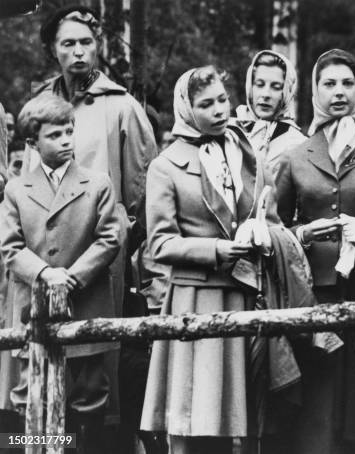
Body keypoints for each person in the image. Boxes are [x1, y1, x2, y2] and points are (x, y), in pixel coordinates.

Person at [24, 5, 158, 430]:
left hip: (102, 256)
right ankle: (49, 441)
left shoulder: (120, 107)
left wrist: (118, 243)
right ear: (52, 50)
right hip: (44, 256)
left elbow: (142, 189)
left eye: (86, 42)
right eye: (68, 44)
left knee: (98, 372)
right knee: (45, 362)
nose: (79, 52)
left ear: (97, 46)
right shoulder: (40, 106)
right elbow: (27, 183)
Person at [140, 66, 279, 454]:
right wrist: (216, 251)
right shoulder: (165, 166)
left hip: (246, 291)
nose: (220, 110)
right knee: (194, 414)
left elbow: (271, 215)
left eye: (222, 99)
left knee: (245, 413)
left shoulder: (247, 152)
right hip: (195, 297)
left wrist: (265, 235)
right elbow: (160, 243)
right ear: (187, 109)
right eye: (206, 104)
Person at [275, 48, 355, 454]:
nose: (338, 92)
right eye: (329, 83)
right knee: (315, 409)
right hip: (312, 298)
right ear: (314, 90)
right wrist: (303, 234)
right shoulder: (296, 156)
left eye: (347, 83)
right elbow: (274, 228)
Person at [0, 94, 121, 453]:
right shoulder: (17, 189)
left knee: (90, 393)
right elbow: (9, 246)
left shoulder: (97, 183)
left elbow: (111, 237)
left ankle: (86, 448)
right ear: (32, 143)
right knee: (29, 392)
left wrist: (70, 276)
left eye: (70, 132)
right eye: (55, 135)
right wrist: (43, 274)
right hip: (31, 308)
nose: (66, 140)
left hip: (85, 302)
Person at [236, 50, 306, 178]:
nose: (266, 94)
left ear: (286, 92)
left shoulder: (297, 144)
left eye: (276, 87)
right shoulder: (232, 132)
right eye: (260, 85)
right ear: (250, 88)